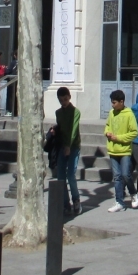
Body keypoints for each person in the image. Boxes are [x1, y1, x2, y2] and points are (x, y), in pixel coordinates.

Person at [104, 89, 138, 213]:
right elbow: (107, 125)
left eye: (114, 103)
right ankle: (119, 201)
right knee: (117, 177)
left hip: (124, 150)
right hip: (113, 150)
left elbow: (134, 132)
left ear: (121, 102)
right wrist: (107, 132)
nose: (112, 105)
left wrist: (118, 138)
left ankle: (133, 193)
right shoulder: (111, 113)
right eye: (112, 103)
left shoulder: (129, 114)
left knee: (125, 174)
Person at [54, 86, 82, 214]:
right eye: (61, 100)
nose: (64, 102)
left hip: (73, 146)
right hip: (61, 146)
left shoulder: (75, 112)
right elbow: (60, 128)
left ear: (69, 97)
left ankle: (76, 200)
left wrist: (69, 147)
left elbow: (74, 130)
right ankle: (65, 203)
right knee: (60, 177)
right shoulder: (58, 113)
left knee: (71, 175)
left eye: (65, 99)